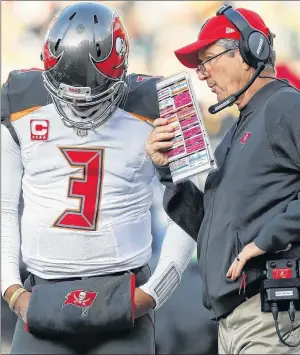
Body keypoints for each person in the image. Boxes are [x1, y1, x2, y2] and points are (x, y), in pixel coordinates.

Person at [1, 3, 198, 354]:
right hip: (41, 292)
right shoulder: (18, 96)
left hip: (124, 291)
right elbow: (2, 207)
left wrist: (153, 295)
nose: (80, 109)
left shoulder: (166, 101)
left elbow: (191, 209)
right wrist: (12, 292)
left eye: (93, 96)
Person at [146, 5, 300, 354]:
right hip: (234, 322)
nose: (202, 74)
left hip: (273, 314)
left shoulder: (286, 105)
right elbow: (206, 228)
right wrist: (169, 172)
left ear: (251, 51)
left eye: (208, 59)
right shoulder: (236, 132)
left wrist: (267, 239)